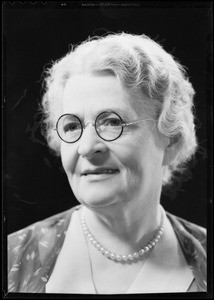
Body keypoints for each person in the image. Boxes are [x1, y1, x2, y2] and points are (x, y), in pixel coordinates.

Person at [8, 32, 206, 294]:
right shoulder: (12, 257)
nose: (87, 147)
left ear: (169, 139)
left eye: (113, 122)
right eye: (72, 126)